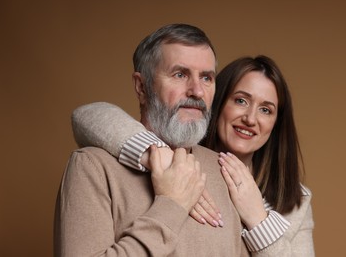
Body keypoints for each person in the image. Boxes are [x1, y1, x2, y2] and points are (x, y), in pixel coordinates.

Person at [71, 56, 315, 255]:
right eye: (240, 101)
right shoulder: (178, 162)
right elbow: (88, 115)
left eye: (265, 110)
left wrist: (259, 220)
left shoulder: (296, 201)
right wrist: (157, 154)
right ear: (217, 103)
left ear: (275, 123)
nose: (251, 119)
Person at [55, 23, 256, 257]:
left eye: (206, 78)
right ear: (141, 87)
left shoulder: (226, 171)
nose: (197, 91)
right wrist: (171, 206)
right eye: (180, 75)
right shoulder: (92, 167)